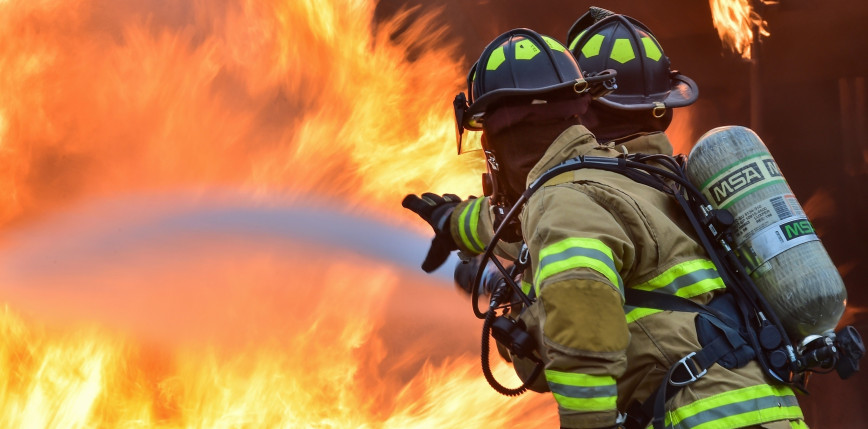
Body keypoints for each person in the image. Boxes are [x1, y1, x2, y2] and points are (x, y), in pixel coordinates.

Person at [402, 16, 807, 429]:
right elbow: (515, 221)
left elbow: (581, 335)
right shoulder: (639, 179)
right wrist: (454, 222)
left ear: (500, 140)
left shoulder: (563, 199)